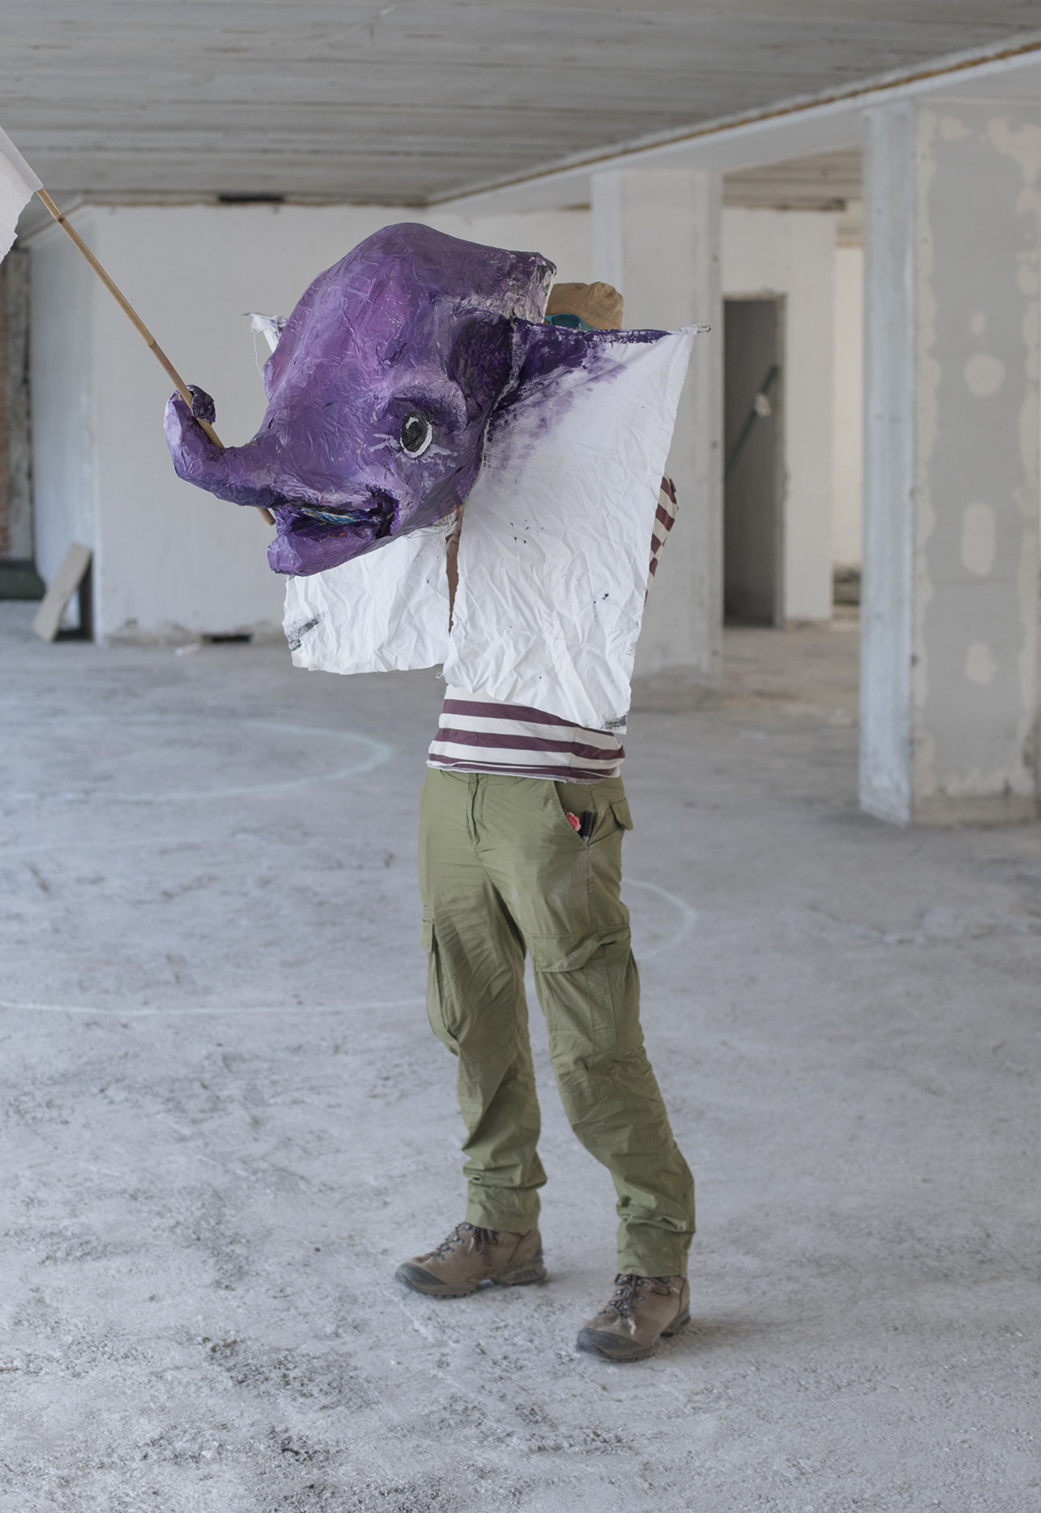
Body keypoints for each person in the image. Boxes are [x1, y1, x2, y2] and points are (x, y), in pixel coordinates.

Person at [394, 280, 695, 1365]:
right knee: (467, 1016)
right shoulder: (474, 478)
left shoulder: (633, 488)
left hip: (555, 794)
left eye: (566, 367)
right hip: (454, 781)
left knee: (591, 1043)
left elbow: (578, 583)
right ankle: (501, 1223)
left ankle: (654, 1265)